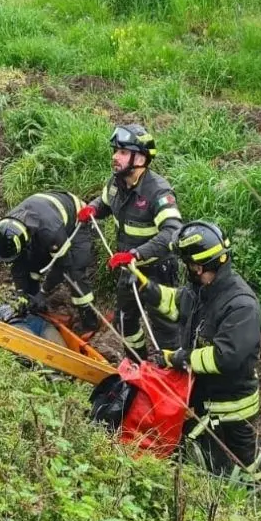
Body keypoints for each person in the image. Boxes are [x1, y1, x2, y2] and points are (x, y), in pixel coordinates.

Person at [134, 221, 261, 483]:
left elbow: (224, 356)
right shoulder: (202, 291)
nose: (189, 271)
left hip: (231, 406)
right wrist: (144, 285)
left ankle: (255, 499)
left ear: (201, 265)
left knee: (242, 462)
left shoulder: (241, 306)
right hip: (203, 395)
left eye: (191, 266)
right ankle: (214, 494)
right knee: (207, 458)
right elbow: (174, 304)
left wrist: (178, 358)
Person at [81, 124, 185, 356]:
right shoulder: (116, 183)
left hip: (157, 270)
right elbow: (105, 202)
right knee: (124, 322)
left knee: (165, 329)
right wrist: (92, 209)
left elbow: (173, 232)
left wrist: (136, 254)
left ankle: (172, 378)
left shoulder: (158, 193)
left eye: (122, 152)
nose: (115, 157)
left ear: (140, 158)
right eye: (116, 151)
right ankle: (138, 363)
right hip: (127, 268)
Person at [0, 190, 98, 333]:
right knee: (31, 262)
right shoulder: (9, 227)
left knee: (74, 273)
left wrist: (44, 291)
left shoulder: (50, 231)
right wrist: (21, 293)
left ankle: (90, 321)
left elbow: (63, 265)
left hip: (76, 222)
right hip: (43, 220)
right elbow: (18, 264)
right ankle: (35, 305)